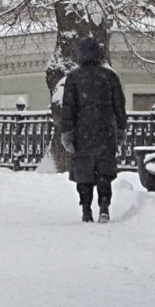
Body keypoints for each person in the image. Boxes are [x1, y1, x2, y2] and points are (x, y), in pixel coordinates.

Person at [54, 37, 127, 222]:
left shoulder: (73, 78)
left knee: (84, 172)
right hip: (105, 131)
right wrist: (120, 128)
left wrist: (67, 133)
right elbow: (119, 105)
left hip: (82, 132)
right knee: (104, 171)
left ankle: (86, 208)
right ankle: (104, 205)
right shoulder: (110, 76)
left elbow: (68, 108)